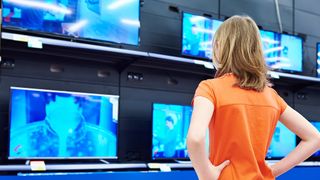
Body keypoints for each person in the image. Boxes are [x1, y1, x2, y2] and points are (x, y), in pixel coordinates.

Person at [187, 15, 320, 180]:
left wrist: (206, 175)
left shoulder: (209, 88)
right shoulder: (271, 96)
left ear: (219, 46)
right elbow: (314, 138)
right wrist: (272, 171)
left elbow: (195, 138)